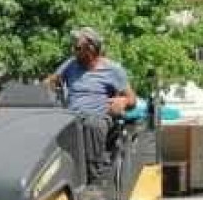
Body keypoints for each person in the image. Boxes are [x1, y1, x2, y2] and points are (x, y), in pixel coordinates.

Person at [45, 27, 136, 189]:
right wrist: (51, 86)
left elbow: (132, 100)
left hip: (99, 117)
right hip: (72, 117)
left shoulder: (113, 70)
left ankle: (95, 181)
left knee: (92, 125)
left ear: (91, 50)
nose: (74, 51)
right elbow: (50, 82)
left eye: (77, 48)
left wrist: (123, 101)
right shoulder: (70, 64)